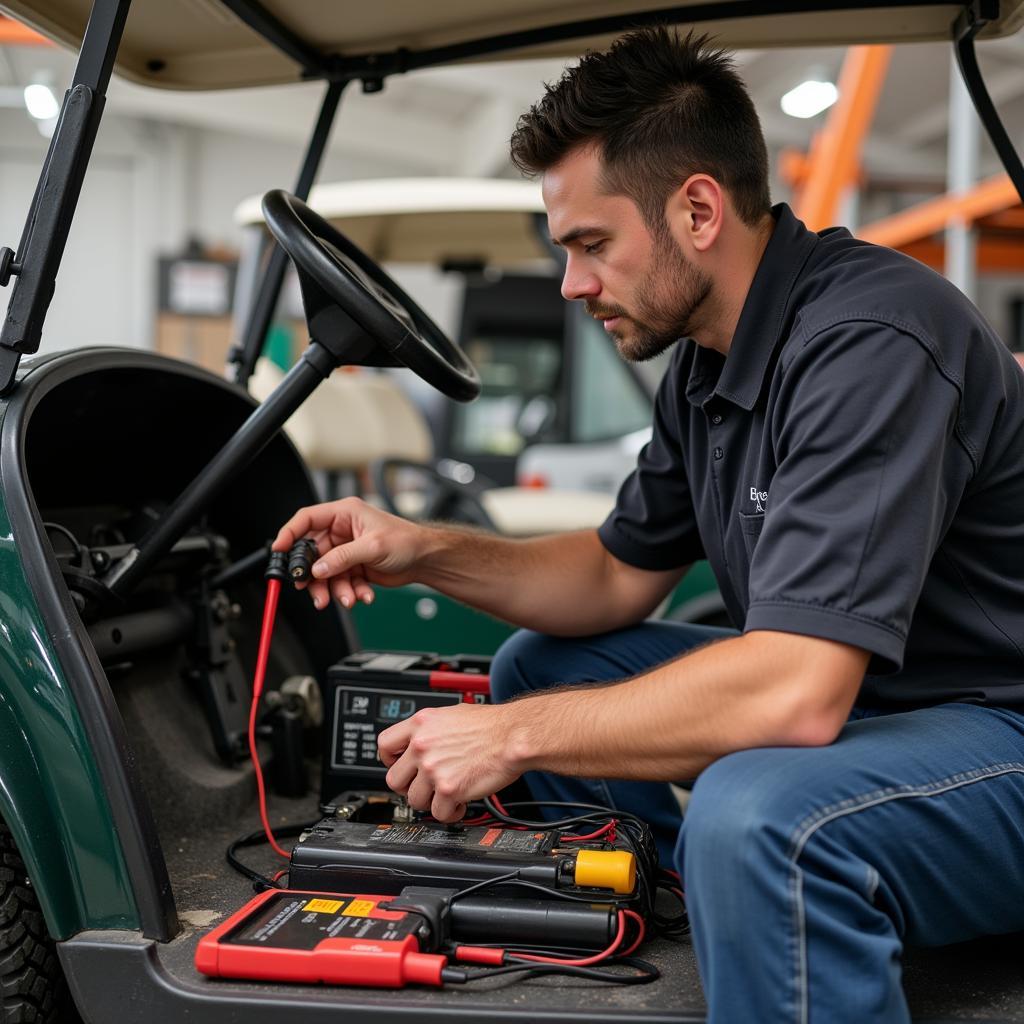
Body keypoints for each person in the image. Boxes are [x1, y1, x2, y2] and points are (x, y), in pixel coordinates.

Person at [274, 27, 1024, 1023]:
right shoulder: (709, 363)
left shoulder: (870, 341)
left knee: (758, 819)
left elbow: (798, 693)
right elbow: (611, 577)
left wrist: (511, 737)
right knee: (543, 662)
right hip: (882, 712)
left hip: (995, 730)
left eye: (592, 244)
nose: (572, 284)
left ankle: (750, 889)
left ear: (699, 209)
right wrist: (423, 549)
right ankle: (674, 918)